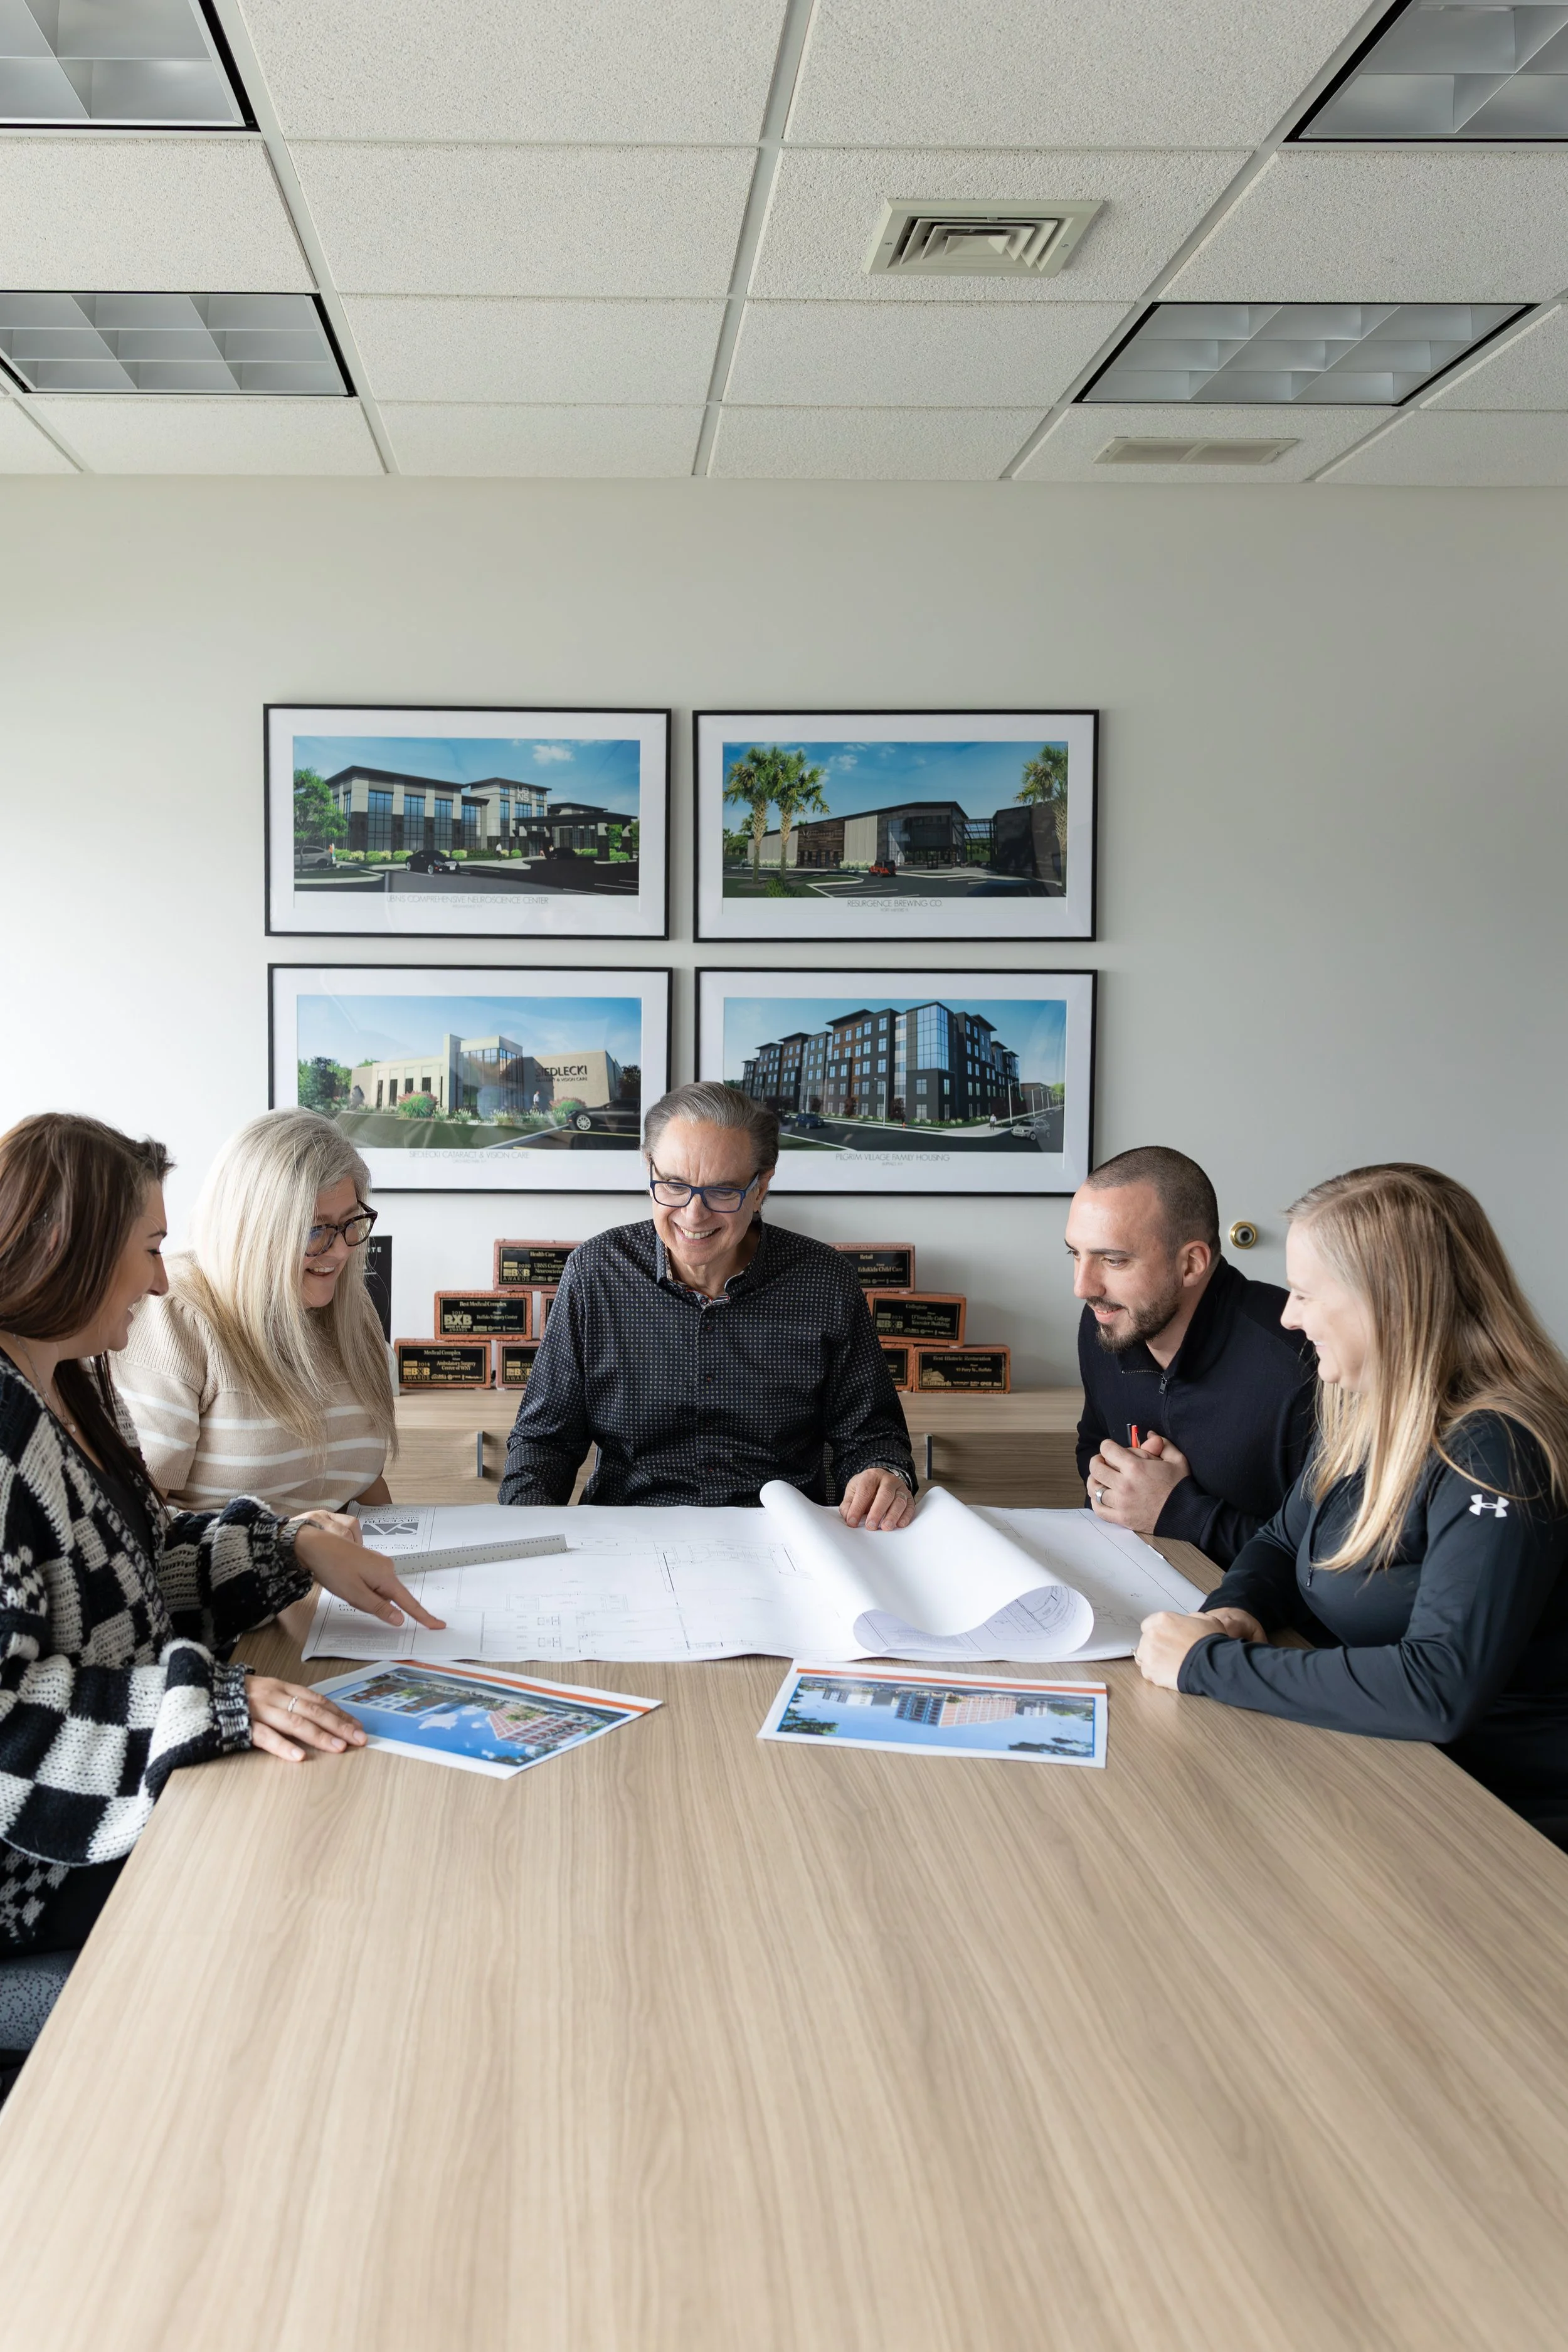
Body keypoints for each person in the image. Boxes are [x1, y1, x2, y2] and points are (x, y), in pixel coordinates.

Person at [0, 1113, 442, 1961]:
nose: (164, 1282)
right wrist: (213, 1705)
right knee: (323, 1906)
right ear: (73, 1247)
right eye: (151, 1247)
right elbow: (10, 1721)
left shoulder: (73, 1383)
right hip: (48, 1861)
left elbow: (143, 1558)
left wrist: (289, 1545)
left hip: (134, 1773)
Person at [1135, 1163, 1568, 1850]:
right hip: (1393, 1762)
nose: (1287, 1315)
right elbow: (1282, 1542)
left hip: (1499, 1814)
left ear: (1388, 1301)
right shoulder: (1368, 1407)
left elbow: (1438, 1688)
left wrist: (1206, 1666)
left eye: (1305, 1293)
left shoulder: (1497, 1447)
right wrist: (1236, 1610)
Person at [499, 1083, 916, 1523]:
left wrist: (883, 1472)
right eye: (675, 1185)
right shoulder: (595, 1273)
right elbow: (545, 1442)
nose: (693, 1215)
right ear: (649, 1169)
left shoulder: (825, 1280)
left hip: (781, 1538)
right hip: (627, 1535)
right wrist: (521, 1531)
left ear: (761, 1188)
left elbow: (872, 1435)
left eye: (722, 1191)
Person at [115, 1108, 395, 1522]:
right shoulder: (175, 1312)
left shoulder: (348, 1309)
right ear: (252, 1229)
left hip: (342, 1579)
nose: (340, 1252)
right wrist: (287, 1547)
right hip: (236, 1582)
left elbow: (357, 1485)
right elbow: (137, 1524)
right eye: (314, 1230)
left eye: (350, 1222)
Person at [1067, 1145, 1317, 1567]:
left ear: (1191, 1264)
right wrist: (1110, 1486)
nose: (1083, 1286)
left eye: (1113, 1260)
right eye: (1076, 1254)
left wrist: (1180, 1512)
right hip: (1136, 1580)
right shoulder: (1108, 1322)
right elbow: (1092, 1445)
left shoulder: (1302, 1364)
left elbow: (1329, 1568)